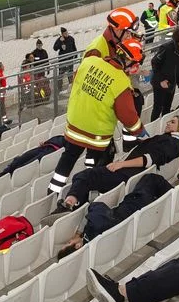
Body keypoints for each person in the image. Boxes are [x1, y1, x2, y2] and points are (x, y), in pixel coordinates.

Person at [48, 38, 147, 195]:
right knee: (104, 159)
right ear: (127, 60)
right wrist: (139, 131)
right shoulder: (121, 82)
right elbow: (128, 117)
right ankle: (97, 192)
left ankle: (53, 191)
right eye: (134, 64)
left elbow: (76, 81)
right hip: (97, 135)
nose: (135, 68)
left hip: (74, 126)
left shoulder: (89, 62)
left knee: (68, 158)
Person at [49, 115, 179, 219]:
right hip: (129, 172)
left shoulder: (173, 142)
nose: (167, 123)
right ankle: (73, 208)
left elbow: (150, 159)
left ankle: (67, 205)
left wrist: (120, 164)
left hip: (126, 173)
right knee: (88, 178)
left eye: (173, 122)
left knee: (84, 176)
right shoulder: (173, 141)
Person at [58, 173, 173, 259]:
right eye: (69, 243)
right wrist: (79, 231)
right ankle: (177, 195)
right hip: (136, 205)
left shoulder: (95, 249)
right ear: (78, 246)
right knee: (151, 178)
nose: (70, 239)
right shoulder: (94, 228)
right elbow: (97, 206)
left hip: (140, 220)